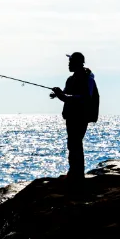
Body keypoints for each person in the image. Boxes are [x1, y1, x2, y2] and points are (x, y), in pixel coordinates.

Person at [50, 52, 99, 181]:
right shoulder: (70, 79)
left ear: (78, 63)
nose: (69, 64)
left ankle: (77, 174)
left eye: (71, 62)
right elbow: (66, 93)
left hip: (81, 116)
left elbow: (85, 97)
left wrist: (65, 96)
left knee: (75, 143)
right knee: (72, 144)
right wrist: (58, 93)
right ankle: (74, 172)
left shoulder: (88, 79)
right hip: (71, 116)